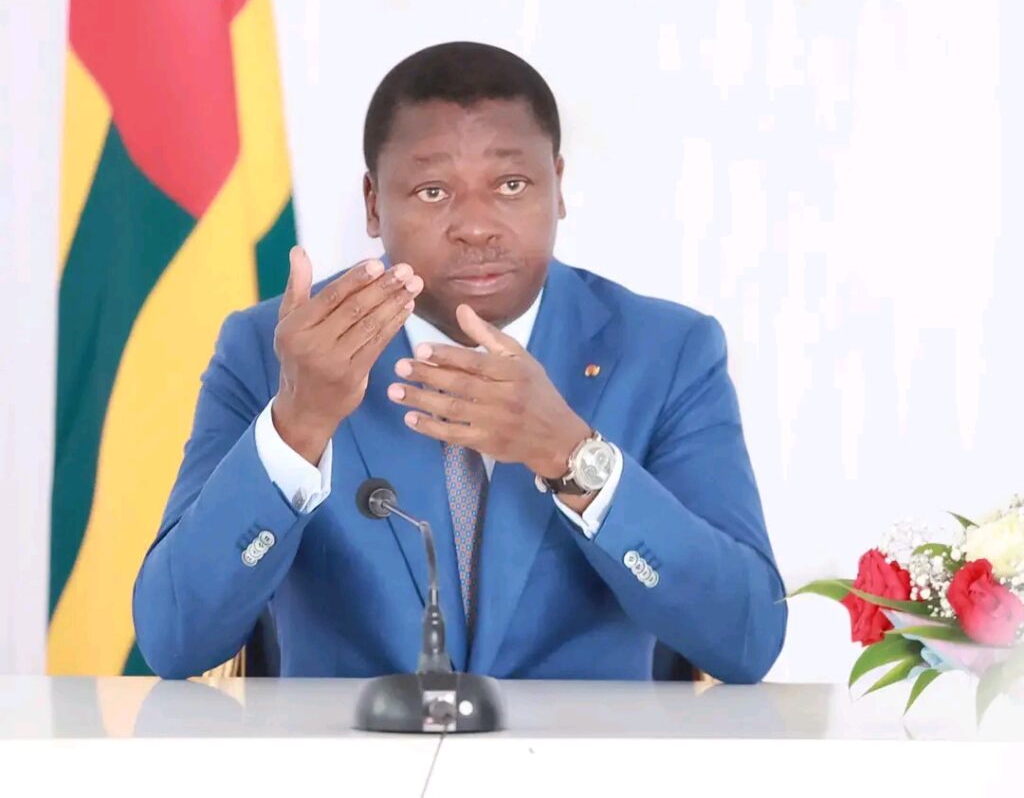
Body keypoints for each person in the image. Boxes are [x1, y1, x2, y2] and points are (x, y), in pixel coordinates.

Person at [133, 41, 787, 682]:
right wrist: (298, 425)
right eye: (432, 191)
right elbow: (175, 640)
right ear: (373, 203)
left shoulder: (666, 352)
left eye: (511, 184)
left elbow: (749, 636)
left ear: (557, 187)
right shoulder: (271, 348)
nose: (476, 226)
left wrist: (572, 455)